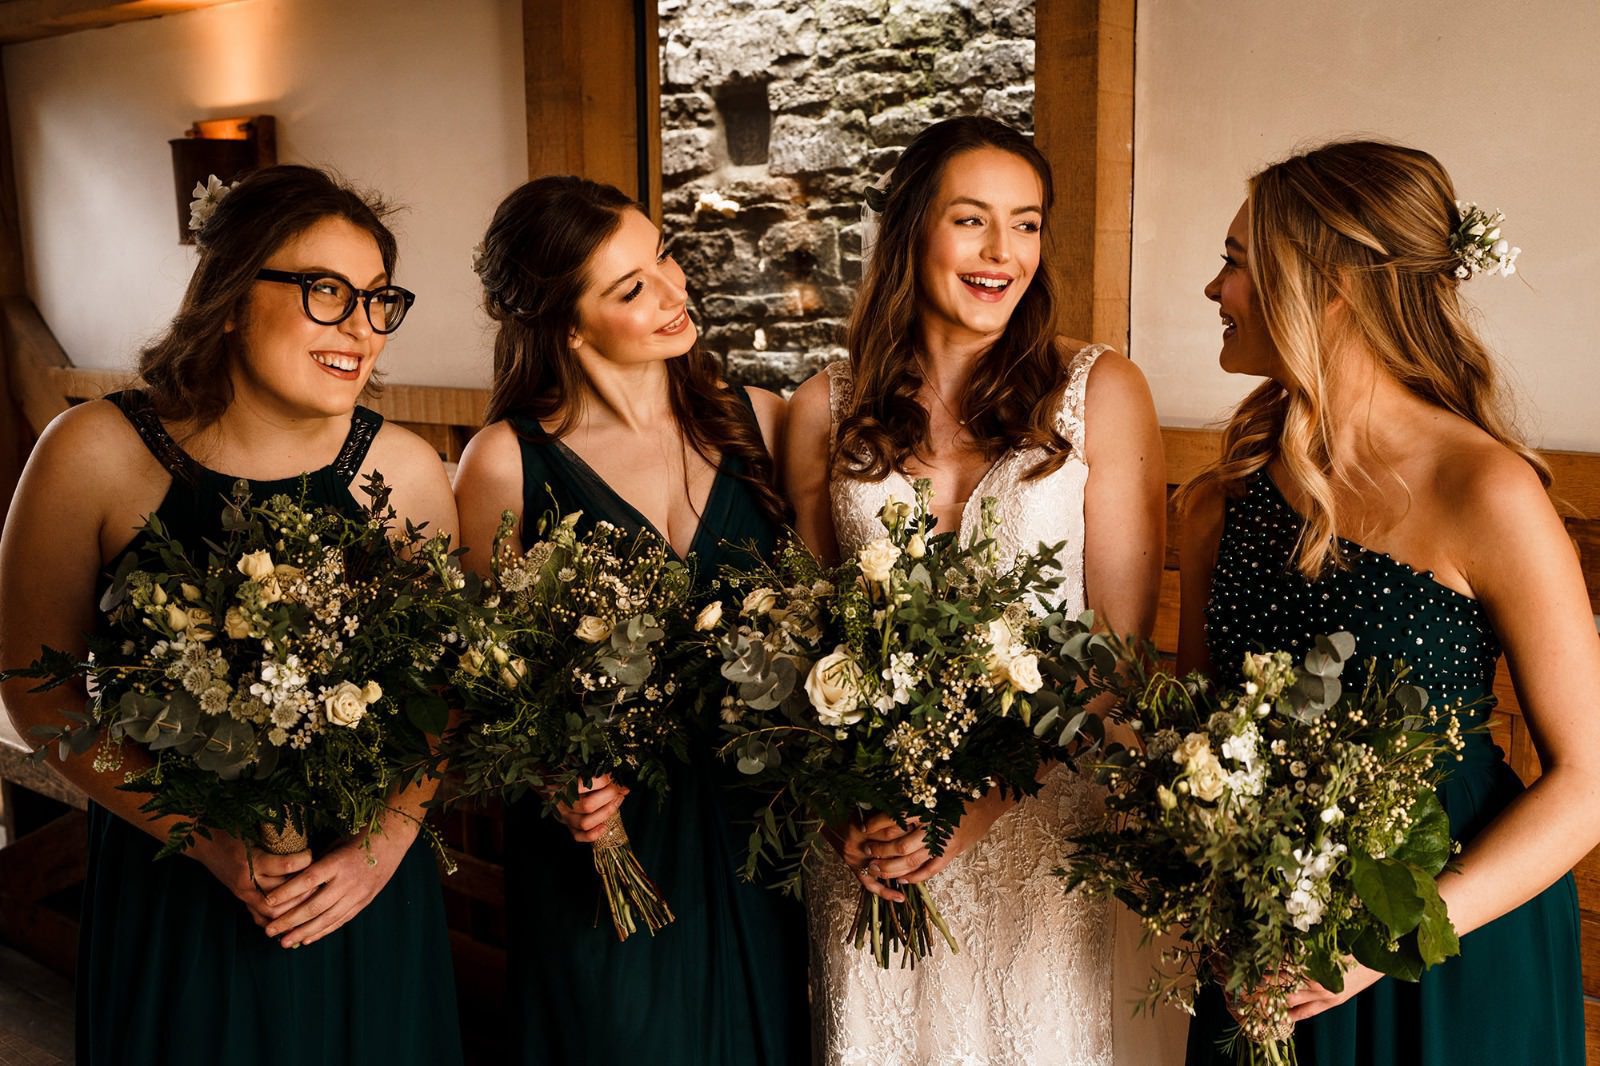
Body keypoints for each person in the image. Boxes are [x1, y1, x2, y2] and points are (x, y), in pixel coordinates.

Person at [0, 165, 463, 1065]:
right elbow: (40, 695)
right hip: (178, 886)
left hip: (363, 891)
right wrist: (203, 838)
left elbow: (440, 695)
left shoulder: (403, 473)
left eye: (377, 300)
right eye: (326, 293)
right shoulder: (93, 453)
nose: (360, 329)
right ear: (229, 294)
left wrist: (384, 841)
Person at [1179, 139, 1598, 1066]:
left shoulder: (1484, 490)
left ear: (1331, 285)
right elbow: (1196, 735)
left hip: (1448, 946)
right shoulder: (1222, 499)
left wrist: (1389, 939)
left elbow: (1589, 782)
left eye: (1237, 262)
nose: (1216, 290)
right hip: (1268, 945)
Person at [784, 115, 1177, 1065]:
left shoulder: (1101, 392)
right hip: (879, 849)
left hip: (1050, 825)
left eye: (1028, 223)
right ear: (913, 229)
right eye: (972, 220)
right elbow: (801, 640)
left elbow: (1117, 655)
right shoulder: (821, 408)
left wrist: (975, 809)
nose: (1004, 252)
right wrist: (849, 813)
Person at [451, 175, 810, 1064]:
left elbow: (821, 613)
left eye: (665, 257)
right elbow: (485, 682)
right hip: (608, 848)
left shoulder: (760, 423)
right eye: (632, 287)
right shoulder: (506, 463)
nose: (674, 289)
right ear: (567, 325)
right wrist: (555, 782)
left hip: (756, 830)